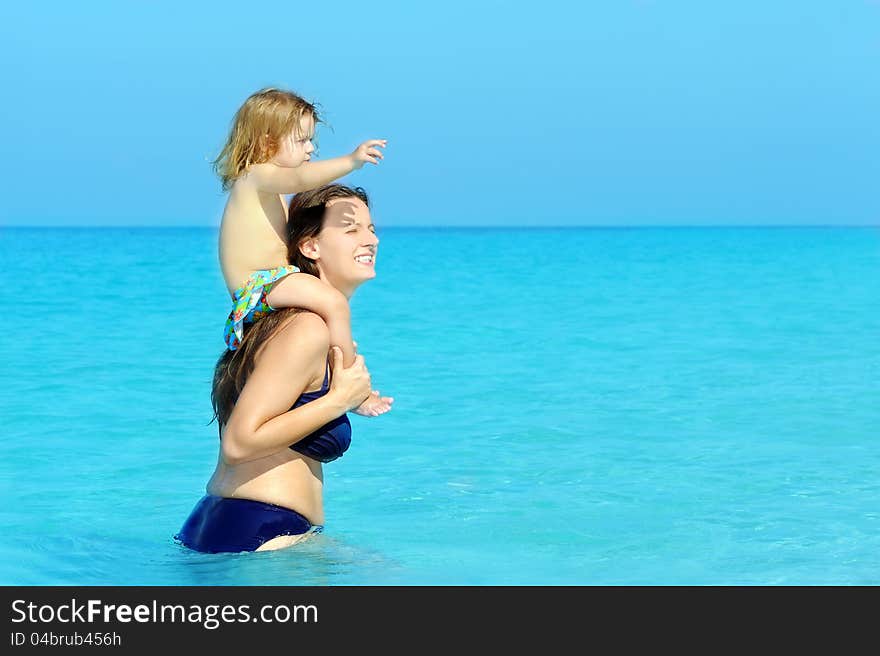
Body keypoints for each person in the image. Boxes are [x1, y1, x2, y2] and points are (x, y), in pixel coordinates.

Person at [176, 184, 390, 553]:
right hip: (259, 534)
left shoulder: (293, 323)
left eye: (371, 228)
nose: (370, 239)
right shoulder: (306, 328)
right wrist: (339, 399)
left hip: (242, 529)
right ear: (310, 246)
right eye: (351, 229)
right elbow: (239, 444)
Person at [214, 87, 389, 416]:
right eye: (302, 140)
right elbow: (302, 177)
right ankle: (350, 385)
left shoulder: (267, 187)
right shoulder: (256, 176)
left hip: (272, 281)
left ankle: (333, 357)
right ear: (267, 142)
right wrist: (351, 162)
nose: (311, 149)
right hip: (258, 284)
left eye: (312, 141)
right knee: (333, 302)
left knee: (327, 312)